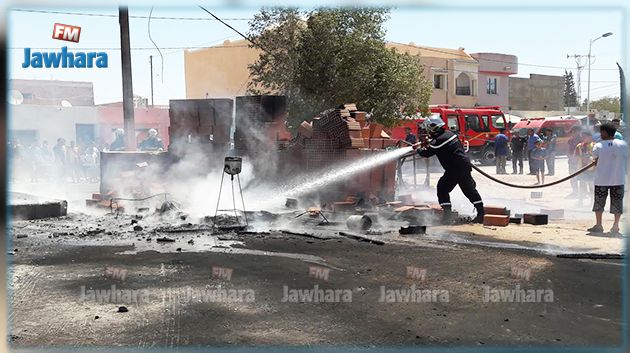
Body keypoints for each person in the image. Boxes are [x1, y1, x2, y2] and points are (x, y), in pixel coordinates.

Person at [412, 116, 485, 223]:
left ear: (433, 129)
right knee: (469, 190)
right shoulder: (449, 134)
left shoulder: (438, 141)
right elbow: (435, 143)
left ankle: (447, 215)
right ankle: (481, 213)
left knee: (442, 188)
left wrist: (418, 149)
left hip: (454, 169)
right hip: (463, 166)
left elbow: (426, 153)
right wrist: (427, 142)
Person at [588, 122, 628, 234]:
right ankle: (615, 226)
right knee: (617, 203)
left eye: (601, 132)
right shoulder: (623, 144)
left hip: (602, 180)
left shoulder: (598, 145)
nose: (600, 134)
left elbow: (595, 159)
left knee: (599, 203)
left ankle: (599, 225)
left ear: (605, 132)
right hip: (618, 179)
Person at [574, 131, 595, 203]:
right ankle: (580, 201)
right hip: (581, 169)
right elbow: (575, 156)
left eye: (585, 137)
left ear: (590, 137)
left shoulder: (595, 145)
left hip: (592, 169)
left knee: (591, 185)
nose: (583, 138)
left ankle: (592, 201)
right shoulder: (579, 146)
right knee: (582, 185)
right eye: (582, 137)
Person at [566, 125, 583, 198]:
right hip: (573, 161)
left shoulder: (582, 140)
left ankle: (581, 192)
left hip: (579, 161)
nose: (573, 133)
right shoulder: (571, 140)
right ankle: (576, 192)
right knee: (573, 177)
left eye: (573, 131)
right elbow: (568, 150)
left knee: (581, 177)